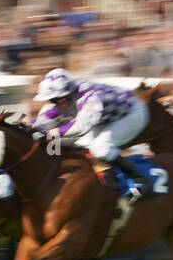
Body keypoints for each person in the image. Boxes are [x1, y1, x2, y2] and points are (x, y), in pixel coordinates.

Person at [30, 68, 152, 198]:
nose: (55, 105)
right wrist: (26, 128)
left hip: (132, 113)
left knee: (100, 147)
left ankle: (139, 179)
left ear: (69, 94)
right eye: (52, 100)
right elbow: (43, 121)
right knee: (81, 144)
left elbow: (79, 128)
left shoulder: (92, 96)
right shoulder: (68, 97)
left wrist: (48, 133)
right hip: (106, 117)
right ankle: (107, 176)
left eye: (57, 100)